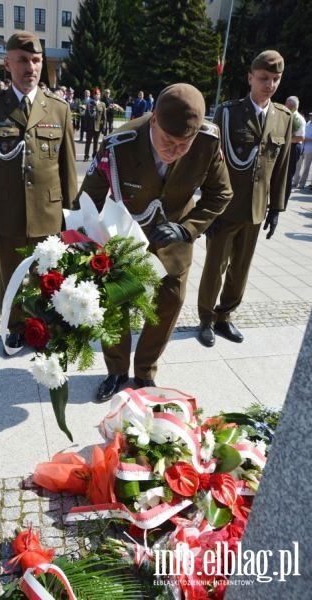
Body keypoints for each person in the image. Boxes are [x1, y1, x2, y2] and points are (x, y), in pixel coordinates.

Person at [76, 83, 233, 401]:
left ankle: (145, 370)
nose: (173, 151)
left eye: (182, 145)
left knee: (169, 303)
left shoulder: (206, 141)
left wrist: (188, 229)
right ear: (153, 122)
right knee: (115, 303)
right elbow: (88, 197)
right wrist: (82, 244)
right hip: (126, 235)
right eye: (167, 141)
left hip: (174, 238)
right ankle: (116, 371)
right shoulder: (119, 144)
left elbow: (222, 192)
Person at [0, 31, 77, 350]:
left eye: (35, 60)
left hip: (49, 215)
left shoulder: (58, 109)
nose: (30, 67)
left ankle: (44, 326)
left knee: (48, 278)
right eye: (22, 60)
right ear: (7, 64)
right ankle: (16, 327)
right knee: (12, 279)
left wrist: (72, 220)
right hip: (7, 215)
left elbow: (68, 169)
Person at [197, 50, 292, 348]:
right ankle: (206, 320)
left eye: (275, 79)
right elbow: (209, 164)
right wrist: (206, 211)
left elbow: (282, 166)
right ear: (250, 77)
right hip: (224, 209)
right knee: (215, 267)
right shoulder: (228, 113)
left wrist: (276, 208)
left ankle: (225, 317)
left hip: (255, 210)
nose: (270, 85)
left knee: (241, 268)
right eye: (264, 78)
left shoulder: (283, 118)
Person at [283, 96, 306, 207]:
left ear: (290, 106)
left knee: (288, 176)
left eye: (286, 105)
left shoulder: (297, 119)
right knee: (283, 174)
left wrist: (284, 140)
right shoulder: (290, 116)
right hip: (290, 146)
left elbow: (300, 138)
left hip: (294, 147)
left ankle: (283, 202)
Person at [83, 87, 106, 161]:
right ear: (93, 96)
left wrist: (104, 127)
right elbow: (86, 116)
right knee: (88, 142)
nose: (97, 95)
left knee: (96, 143)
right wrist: (85, 127)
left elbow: (104, 117)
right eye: (95, 94)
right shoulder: (89, 104)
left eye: (98, 94)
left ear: (100, 95)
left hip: (98, 127)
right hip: (90, 126)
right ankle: (86, 156)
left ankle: (94, 155)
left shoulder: (102, 104)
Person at [294, 112, 312, 189]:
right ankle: (295, 182)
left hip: (309, 149)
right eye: (310, 115)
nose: (311, 117)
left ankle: (302, 184)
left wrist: (305, 139)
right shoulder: (307, 123)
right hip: (302, 147)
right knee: (298, 166)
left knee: (306, 168)